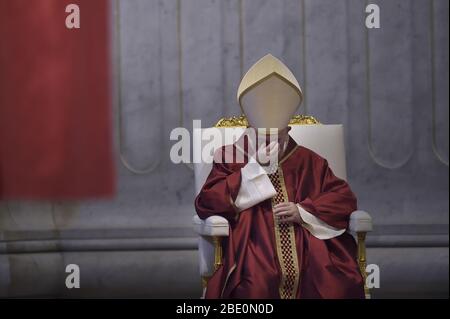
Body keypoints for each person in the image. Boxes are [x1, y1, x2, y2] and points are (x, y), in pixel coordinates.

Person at [195, 54, 365, 299]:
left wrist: (304, 211)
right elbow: (206, 203)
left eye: (278, 137)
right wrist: (253, 169)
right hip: (253, 247)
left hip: (309, 245)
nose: (272, 144)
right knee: (254, 286)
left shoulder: (309, 160)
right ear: (251, 129)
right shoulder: (229, 156)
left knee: (335, 284)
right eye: (265, 138)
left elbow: (344, 198)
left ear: (289, 129)